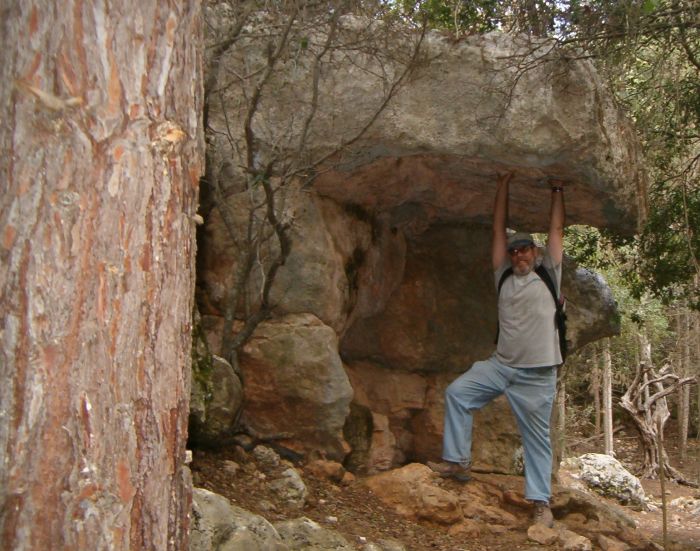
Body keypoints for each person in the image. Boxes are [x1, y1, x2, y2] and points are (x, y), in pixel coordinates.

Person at [428, 171, 565, 529]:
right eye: (514, 250)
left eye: (525, 249)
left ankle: (540, 503)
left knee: (536, 440)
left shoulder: (549, 274)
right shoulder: (502, 274)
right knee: (458, 393)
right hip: (501, 366)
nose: (519, 255)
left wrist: (557, 191)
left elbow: (557, 232)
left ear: (535, 253)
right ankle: (457, 463)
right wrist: (502, 185)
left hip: (537, 375)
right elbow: (496, 230)